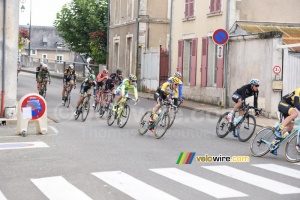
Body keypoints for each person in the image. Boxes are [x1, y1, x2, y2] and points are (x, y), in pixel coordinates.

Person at [270, 88, 300, 155]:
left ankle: (274, 143)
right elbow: (296, 102)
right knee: (295, 114)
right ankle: (279, 129)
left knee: (290, 127)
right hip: (283, 103)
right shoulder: (299, 90)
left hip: (289, 108)